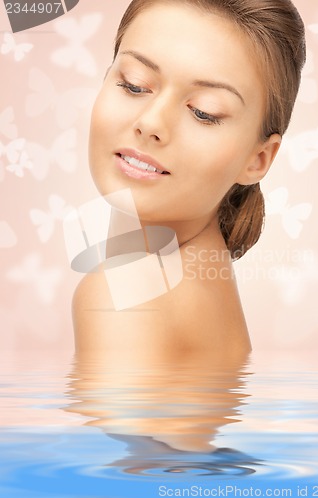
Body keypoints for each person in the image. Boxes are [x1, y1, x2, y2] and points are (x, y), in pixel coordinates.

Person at [72, 0, 306, 363]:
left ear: (258, 159)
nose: (151, 123)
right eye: (134, 85)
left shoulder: (124, 296)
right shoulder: (205, 283)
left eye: (203, 112)